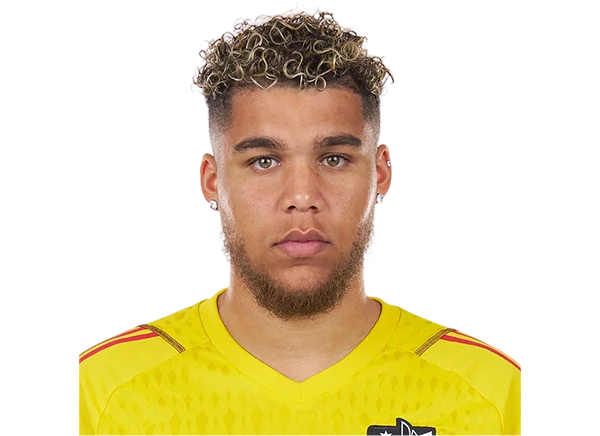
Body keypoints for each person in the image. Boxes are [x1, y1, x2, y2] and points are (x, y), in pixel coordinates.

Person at [78, 10, 522, 436]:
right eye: (264, 161)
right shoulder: (106, 388)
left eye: (334, 159)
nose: (303, 197)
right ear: (212, 181)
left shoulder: (488, 389)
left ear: (380, 172)